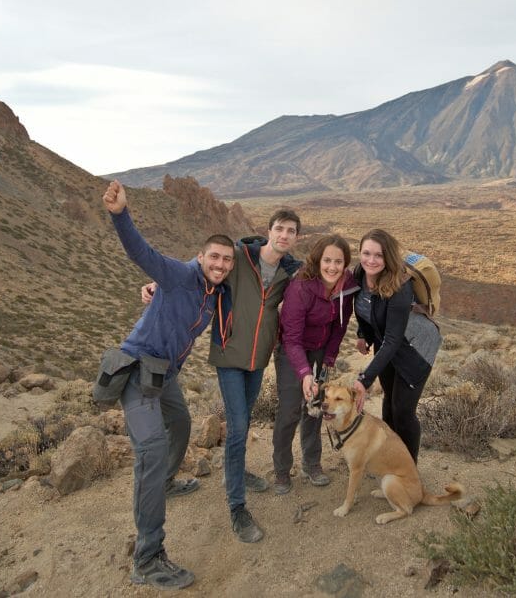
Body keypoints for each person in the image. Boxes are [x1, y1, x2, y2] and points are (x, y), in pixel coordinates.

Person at [102, 180, 234, 590]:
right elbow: (142, 252)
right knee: (151, 450)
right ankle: (147, 557)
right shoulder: (178, 274)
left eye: (227, 260)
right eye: (214, 256)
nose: (221, 263)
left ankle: (166, 483)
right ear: (200, 257)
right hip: (138, 369)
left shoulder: (215, 292)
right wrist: (121, 215)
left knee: (180, 424)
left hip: (165, 374)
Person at [142, 210, 301, 542]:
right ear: (268, 231)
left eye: (291, 231)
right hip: (229, 355)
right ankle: (237, 507)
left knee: (240, 427)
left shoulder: (290, 272)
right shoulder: (240, 257)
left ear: (296, 237)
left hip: (258, 360)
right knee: (239, 425)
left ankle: (237, 468)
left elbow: (325, 280)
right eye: (279, 229)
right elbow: (203, 265)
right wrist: (159, 282)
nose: (284, 235)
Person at [271, 235, 357, 495]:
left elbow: (340, 326)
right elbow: (291, 337)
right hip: (291, 352)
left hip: (320, 351)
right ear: (318, 260)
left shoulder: (347, 286)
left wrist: (328, 359)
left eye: (338, 262)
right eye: (327, 260)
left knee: (316, 408)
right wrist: (305, 373)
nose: (332, 267)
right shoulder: (301, 288)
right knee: (289, 412)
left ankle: (311, 463)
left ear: (345, 264)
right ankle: (282, 471)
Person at [351, 229, 441, 463]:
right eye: (366, 253)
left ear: (388, 258)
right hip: (387, 344)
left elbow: (393, 340)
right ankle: (390, 458)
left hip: (416, 348)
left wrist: (364, 379)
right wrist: (363, 334)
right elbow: (365, 307)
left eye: (378, 256)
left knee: (403, 411)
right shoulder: (360, 273)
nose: (371, 260)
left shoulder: (399, 288)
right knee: (388, 404)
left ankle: (409, 468)